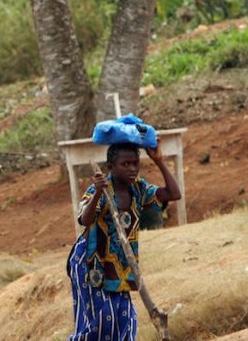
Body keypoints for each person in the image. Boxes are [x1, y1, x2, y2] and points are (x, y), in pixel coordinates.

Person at [67, 141, 181, 341]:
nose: (132, 169)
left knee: (124, 321)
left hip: (120, 267)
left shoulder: (139, 189)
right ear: (111, 167)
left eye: (135, 163)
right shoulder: (99, 188)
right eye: (125, 164)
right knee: (98, 325)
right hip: (91, 265)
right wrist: (98, 193)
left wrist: (159, 160)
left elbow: (174, 194)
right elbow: (85, 219)